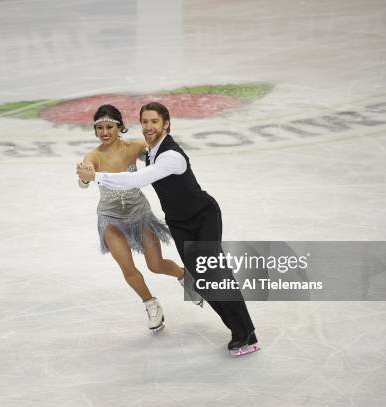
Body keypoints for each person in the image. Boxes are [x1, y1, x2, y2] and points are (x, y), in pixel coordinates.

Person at [78, 102, 259, 356]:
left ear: (166, 125)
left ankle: (245, 332)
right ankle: (237, 328)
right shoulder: (150, 151)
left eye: (154, 122)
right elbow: (88, 174)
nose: (149, 127)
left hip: (201, 217)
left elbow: (136, 179)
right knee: (205, 282)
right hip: (177, 222)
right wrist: (85, 176)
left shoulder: (170, 156)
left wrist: (96, 176)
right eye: (145, 122)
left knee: (215, 274)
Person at [77, 104, 197, 333]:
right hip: (111, 219)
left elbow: (157, 153)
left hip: (139, 214)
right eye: (100, 127)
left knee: (156, 265)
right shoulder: (93, 156)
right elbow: (85, 177)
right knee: (128, 268)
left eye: (109, 126)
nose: (104, 132)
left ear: (119, 127)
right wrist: (84, 179)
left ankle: (184, 276)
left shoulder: (134, 147)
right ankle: (151, 304)